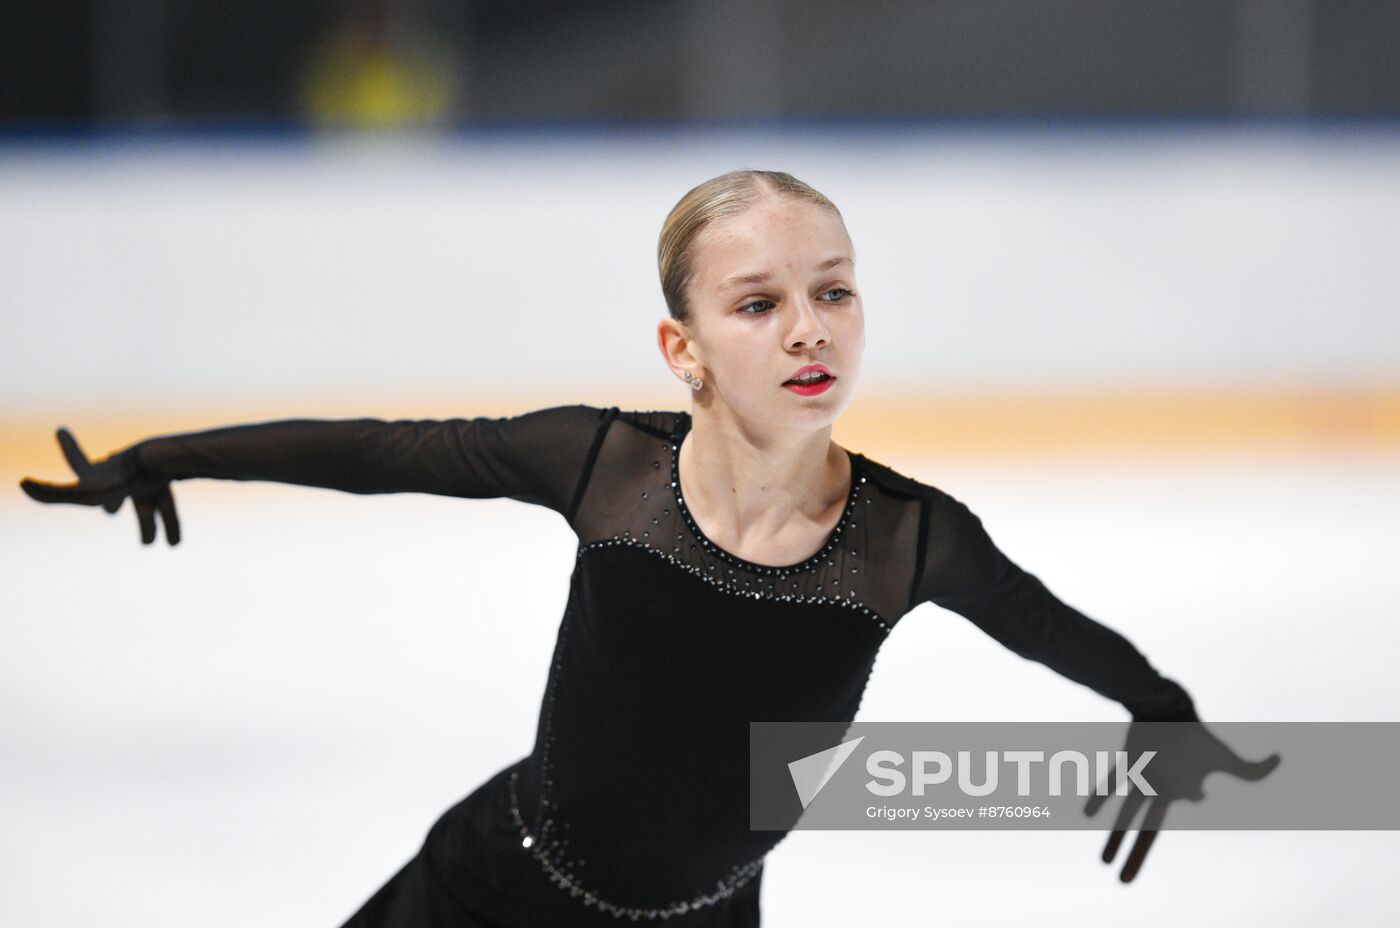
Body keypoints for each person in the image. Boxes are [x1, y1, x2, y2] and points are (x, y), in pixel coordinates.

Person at [19, 170, 1274, 926]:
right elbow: (378, 447)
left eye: (832, 290)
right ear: (682, 349)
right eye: (758, 302)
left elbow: (1043, 623)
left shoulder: (906, 539)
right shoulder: (603, 467)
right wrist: (171, 452)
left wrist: (1158, 706)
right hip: (495, 892)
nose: (806, 328)